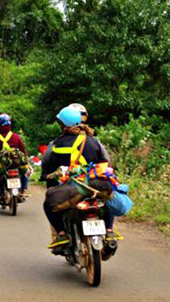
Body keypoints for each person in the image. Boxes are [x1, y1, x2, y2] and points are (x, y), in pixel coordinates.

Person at [42, 106, 117, 250]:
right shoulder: (93, 140)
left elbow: (49, 165)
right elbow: (106, 161)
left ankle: (62, 234)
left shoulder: (58, 143)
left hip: (73, 188)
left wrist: (47, 175)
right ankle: (109, 230)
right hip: (98, 185)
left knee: (48, 204)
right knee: (109, 198)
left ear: (63, 125)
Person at [0, 113, 28, 199]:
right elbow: (23, 151)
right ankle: (24, 189)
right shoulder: (16, 137)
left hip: (2, 165)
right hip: (16, 164)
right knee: (26, 170)